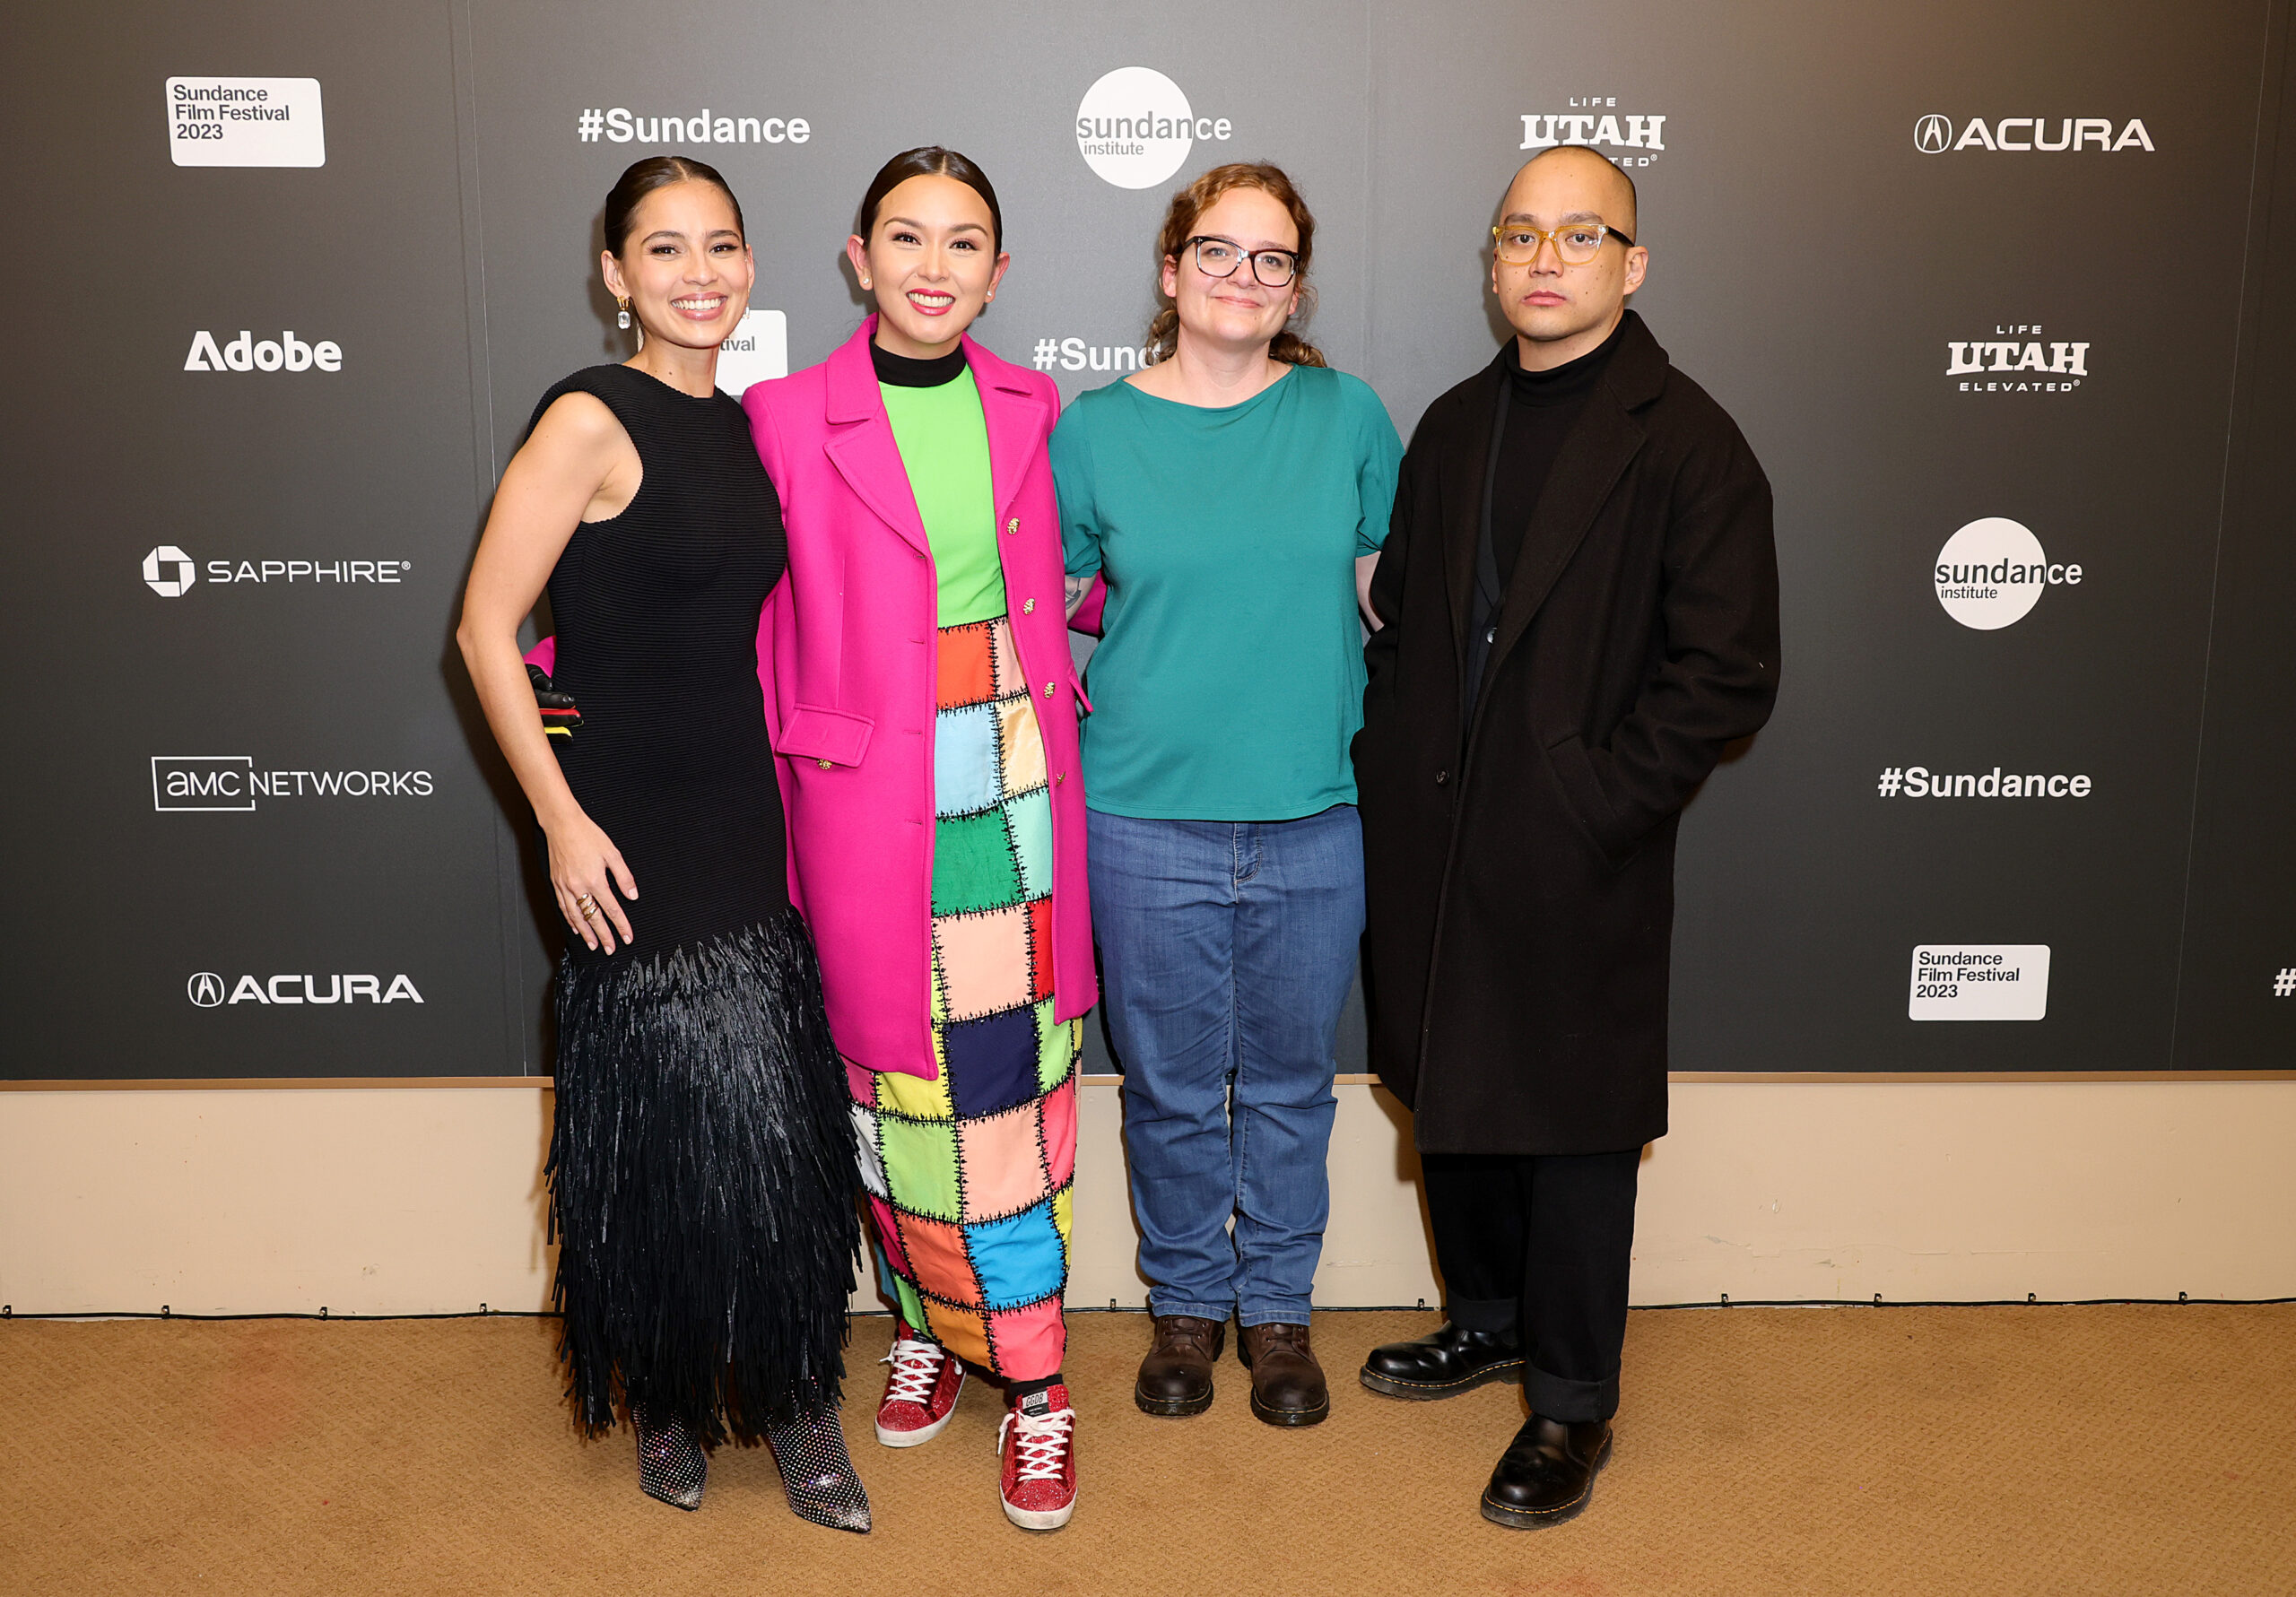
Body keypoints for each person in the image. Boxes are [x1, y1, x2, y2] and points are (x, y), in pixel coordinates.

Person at [1353, 146, 1779, 1528]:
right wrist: (1393, 758)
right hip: (1436, 834)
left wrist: (1596, 795)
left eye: (1580, 234)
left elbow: (1726, 672)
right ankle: (1486, 1319)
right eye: (1520, 234)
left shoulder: (1690, 436)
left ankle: (1573, 1401)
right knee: (1454, 1093)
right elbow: (1407, 624)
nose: (1545, 257)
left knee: (1576, 1128)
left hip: (1578, 844)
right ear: (1493, 263)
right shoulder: (1456, 423)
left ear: (1631, 264)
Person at [455, 157, 866, 1529]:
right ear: (614, 273)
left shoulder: (749, 423)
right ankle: (673, 1395)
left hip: (739, 812)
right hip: (620, 826)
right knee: (660, 1133)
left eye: (725, 246)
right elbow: (483, 628)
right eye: (666, 249)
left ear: (751, 266)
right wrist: (560, 821)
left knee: (773, 1128)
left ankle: (799, 1397)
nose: (702, 272)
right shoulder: (589, 418)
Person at [742, 148, 1092, 1532]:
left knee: (1008, 1091)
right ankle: (929, 1324)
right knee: (890, 1090)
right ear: (857, 255)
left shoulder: (1033, 401)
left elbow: (1076, 572)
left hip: (1009, 780)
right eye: (907, 237)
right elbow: (702, 572)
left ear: (999, 272)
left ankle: (1040, 1387)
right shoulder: (778, 415)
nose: (934, 266)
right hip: (863, 796)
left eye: (964, 243)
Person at [1054, 163, 1402, 1428]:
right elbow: (1062, 597)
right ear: (1170, 270)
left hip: (1316, 810)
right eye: (1218, 252)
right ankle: (1188, 1309)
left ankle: (1280, 1315)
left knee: (1296, 1081)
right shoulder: (1093, 430)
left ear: (1296, 285)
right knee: (1173, 1083)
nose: (1242, 277)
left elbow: (1382, 585)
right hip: (1145, 817)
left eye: (1270, 259)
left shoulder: (1348, 414)